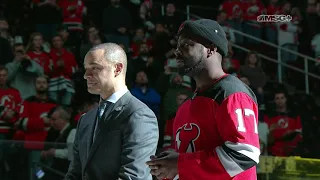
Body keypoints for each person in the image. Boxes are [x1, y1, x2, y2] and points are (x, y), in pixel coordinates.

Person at [147, 19, 260, 180]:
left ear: (210, 50)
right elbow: (192, 164)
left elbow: (244, 154)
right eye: (177, 47)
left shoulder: (231, 92)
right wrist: (167, 168)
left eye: (186, 45)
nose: (177, 52)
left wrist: (178, 164)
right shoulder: (184, 107)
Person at [64, 43, 159, 180]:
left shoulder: (139, 115)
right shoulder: (86, 119)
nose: (86, 75)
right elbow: (75, 174)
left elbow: (133, 177)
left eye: (94, 68)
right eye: (86, 69)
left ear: (117, 69)